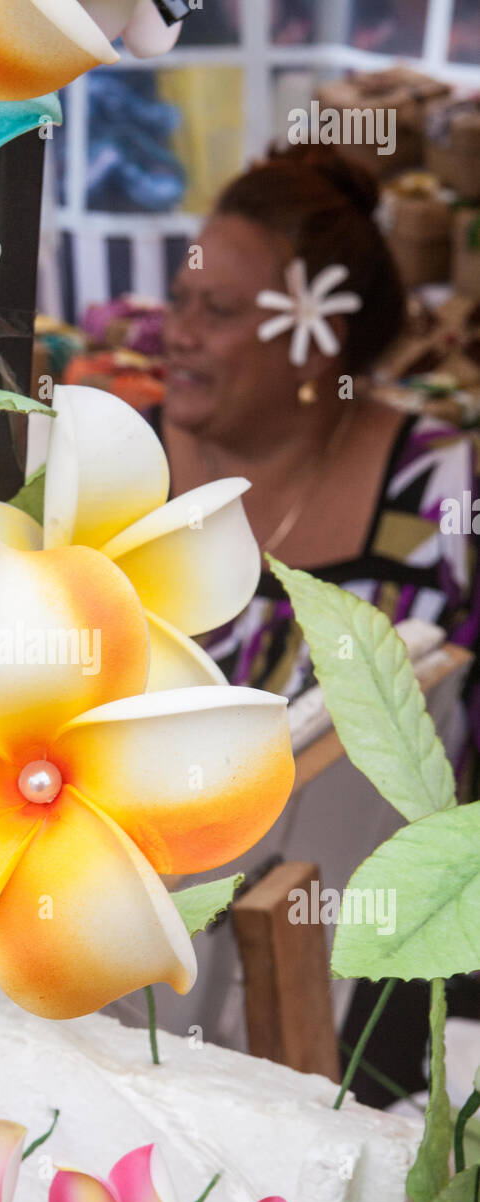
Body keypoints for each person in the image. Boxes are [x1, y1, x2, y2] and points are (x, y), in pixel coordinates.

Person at [162, 147, 479, 787]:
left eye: (217, 310)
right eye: (180, 300)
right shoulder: (120, 467)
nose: (178, 333)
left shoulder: (438, 488)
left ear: (316, 340)